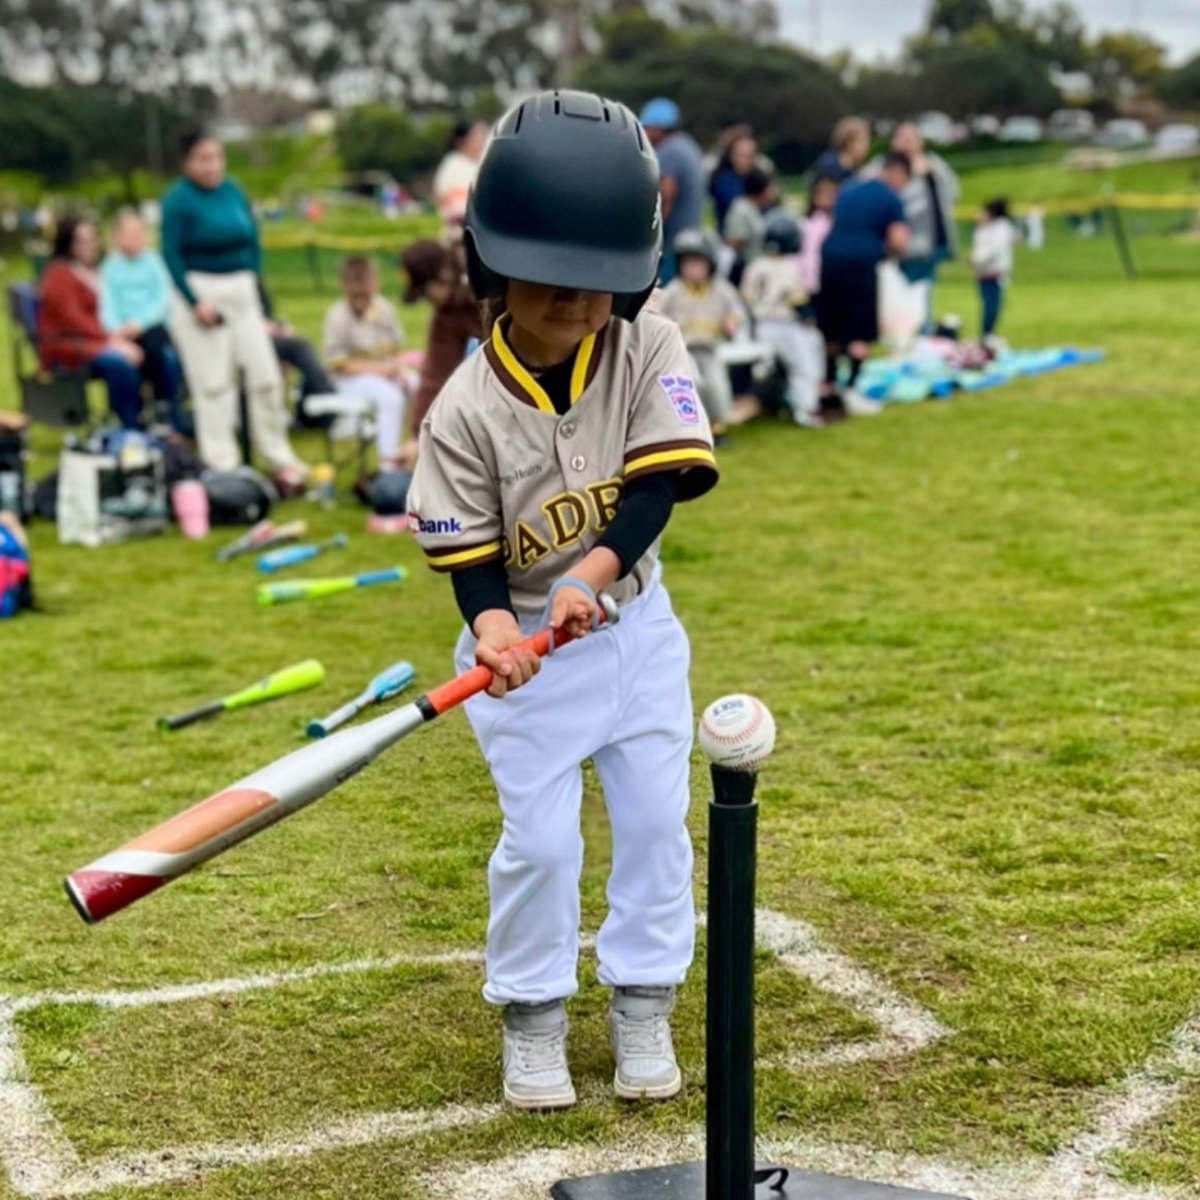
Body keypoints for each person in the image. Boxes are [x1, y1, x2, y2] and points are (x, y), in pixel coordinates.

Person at [408, 89, 718, 1112]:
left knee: (654, 823)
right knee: (540, 843)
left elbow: (656, 486)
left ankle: (642, 1000)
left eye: (599, 291)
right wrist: (495, 629)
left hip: (631, 637)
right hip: (523, 664)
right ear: (493, 269)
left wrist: (593, 577)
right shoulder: (462, 408)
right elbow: (471, 560)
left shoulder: (647, 347)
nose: (578, 309)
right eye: (551, 289)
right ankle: (533, 1015)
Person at [161, 129, 308, 492]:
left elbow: (252, 241)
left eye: (217, 157)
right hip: (201, 293)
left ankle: (278, 458)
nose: (213, 166)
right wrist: (196, 303)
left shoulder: (234, 191)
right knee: (215, 385)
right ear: (187, 162)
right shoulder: (178, 201)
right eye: (203, 159)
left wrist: (254, 284)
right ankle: (222, 465)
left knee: (265, 377)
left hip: (242, 294)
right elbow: (171, 254)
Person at [817, 152, 911, 418]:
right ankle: (852, 390)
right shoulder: (891, 198)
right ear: (898, 174)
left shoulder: (849, 188)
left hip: (830, 259)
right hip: (860, 265)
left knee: (832, 331)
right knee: (859, 331)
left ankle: (828, 386)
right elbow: (899, 240)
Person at [37, 216, 145, 429]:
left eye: (92, 240)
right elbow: (74, 320)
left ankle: (158, 417)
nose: (90, 246)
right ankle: (129, 424)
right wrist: (111, 340)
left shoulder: (96, 271)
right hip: (68, 345)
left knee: (152, 349)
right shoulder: (59, 274)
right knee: (120, 362)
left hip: (94, 339)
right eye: (82, 241)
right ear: (68, 244)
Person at [99, 210, 187, 434]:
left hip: (150, 326)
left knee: (156, 347)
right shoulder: (110, 267)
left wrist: (140, 322)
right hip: (121, 330)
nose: (134, 239)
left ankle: (162, 406)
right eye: (128, 234)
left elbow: (162, 297)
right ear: (117, 237)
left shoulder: (153, 262)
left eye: (138, 233)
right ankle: (133, 413)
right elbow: (106, 301)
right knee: (126, 358)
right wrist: (115, 329)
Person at [400, 239, 484, 467]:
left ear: (443, 277)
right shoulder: (446, 315)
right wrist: (416, 436)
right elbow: (435, 375)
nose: (428, 302)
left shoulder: (489, 276)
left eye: (426, 293)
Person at [323, 256, 408, 469]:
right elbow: (340, 364)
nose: (362, 299)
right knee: (390, 398)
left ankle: (413, 454)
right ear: (345, 287)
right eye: (356, 294)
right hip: (350, 381)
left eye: (366, 294)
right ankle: (388, 463)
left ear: (375, 285)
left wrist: (401, 370)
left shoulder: (384, 309)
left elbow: (397, 349)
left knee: (420, 386)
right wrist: (381, 370)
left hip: (386, 372)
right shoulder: (337, 316)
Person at [657, 229, 741, 441]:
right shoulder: (674, 290)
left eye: (697, 263)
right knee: (692, 383)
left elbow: (736, 308)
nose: (692, 269)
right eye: (687, 263)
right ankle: (690, 430)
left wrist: (731, 321)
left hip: (710, 348)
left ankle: (717, 425)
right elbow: (656, 312)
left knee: (717, 386)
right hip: (682, 349)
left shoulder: (720, 289)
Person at [741, 213, 823, 427]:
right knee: (803, 367)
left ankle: (772, 404)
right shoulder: (789, 266)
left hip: (758, 325)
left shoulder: (755, 265)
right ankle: (806, 410)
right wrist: (809, 318)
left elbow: (745, 299)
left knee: (767, 370)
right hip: (784, 325)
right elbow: (797, 301)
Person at [888, 121, 960, 323]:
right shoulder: (885, 166)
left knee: (922, 291)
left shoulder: (933, 165)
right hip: (897, 243)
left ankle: (921, 333)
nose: (906, 144)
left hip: (928, 244)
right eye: (902, 138)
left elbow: (954, 192)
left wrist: (931, 172)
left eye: (911, 139)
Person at [639, 98, 705, 284]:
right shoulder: (688, 145)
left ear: (659, 128)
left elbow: (666, 195)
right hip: (691, 236)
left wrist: (650, 233)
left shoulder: (669, 152)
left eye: (647, 127)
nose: (645, 133)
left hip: (673, 242)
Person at [971, 198, 1017, 342]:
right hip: (983, 272)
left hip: (994, 272)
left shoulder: (1000, 228)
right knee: (990, 304)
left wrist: (976, 258)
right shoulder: (984, 229)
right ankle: (987, 334)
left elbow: (994, 249)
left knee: (993, 305)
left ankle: (988, 334)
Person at [433, 119, 489, 233]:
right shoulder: (453, 167)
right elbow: (459, 209)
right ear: (462, 141)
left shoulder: (478, 165)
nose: (484, 142)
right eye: (478, 138)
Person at [723, 167, 776, 285]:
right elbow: (733, 242)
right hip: (745, 272)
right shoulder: (741, 209)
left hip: (758, 270)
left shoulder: (756, 209)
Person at [798, 175, 839, 306]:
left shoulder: (838, 223)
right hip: (807, 280)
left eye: (832, 193)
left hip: (830, 280)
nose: (829, 197)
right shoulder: (806, 224)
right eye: (824, 193)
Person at [709, 132, 759, 233]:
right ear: (731, 155)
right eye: (741, 155)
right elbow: (738, 204)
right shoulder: (723, 179)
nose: (745, 160)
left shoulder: (756, 175)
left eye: (749, 156)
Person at [812, 116, 871, 188]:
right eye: (863, 140)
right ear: (849, 142)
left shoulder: (850, 168)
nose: (867, 146)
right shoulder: (829, 168)